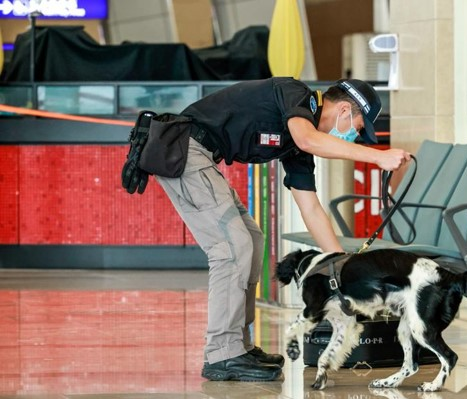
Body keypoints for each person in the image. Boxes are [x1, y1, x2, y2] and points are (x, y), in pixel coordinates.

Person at [154, 77, 410, 382]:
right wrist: (378, 157)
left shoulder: (299, 144)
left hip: (200, 156)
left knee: (251, 240)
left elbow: (311, 209)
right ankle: (222, 354)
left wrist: (343, 267)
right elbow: (308, 140)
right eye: (357, 126)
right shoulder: (296, 96)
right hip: (182, 149)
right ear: (343, 109)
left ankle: (239, 347)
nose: (354, 136)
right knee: (233, 247)